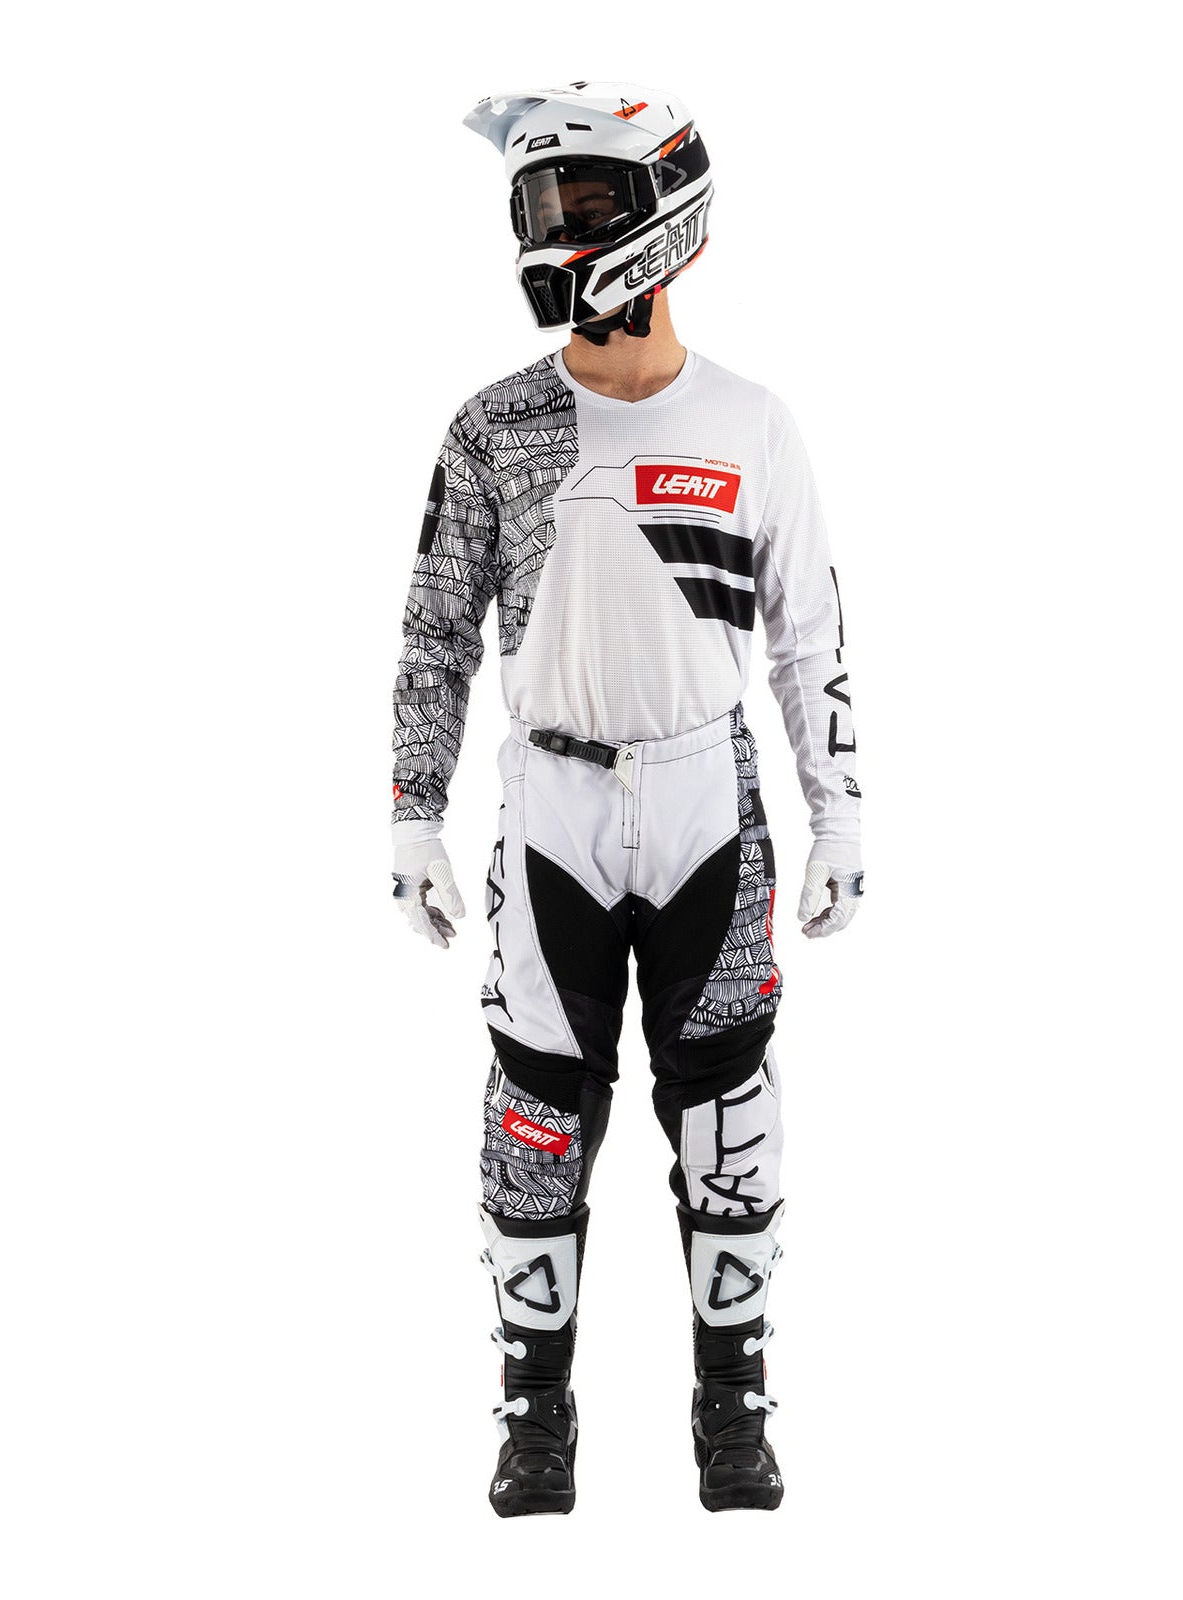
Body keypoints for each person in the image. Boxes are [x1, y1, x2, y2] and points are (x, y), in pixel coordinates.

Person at [391, 81, 862, 1516]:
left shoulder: (754, 424)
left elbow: (811, 633)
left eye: (584, 203)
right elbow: (434, 630)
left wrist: (840, 809)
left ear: (665, 211)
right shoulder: (495, 426)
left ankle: (735, 1404)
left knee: (728, 1110)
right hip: (552, 801)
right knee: (535, 1109)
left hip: (707, 790)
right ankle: (535, 1416)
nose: (556, 234)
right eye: (538, 206)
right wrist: (414, 809)